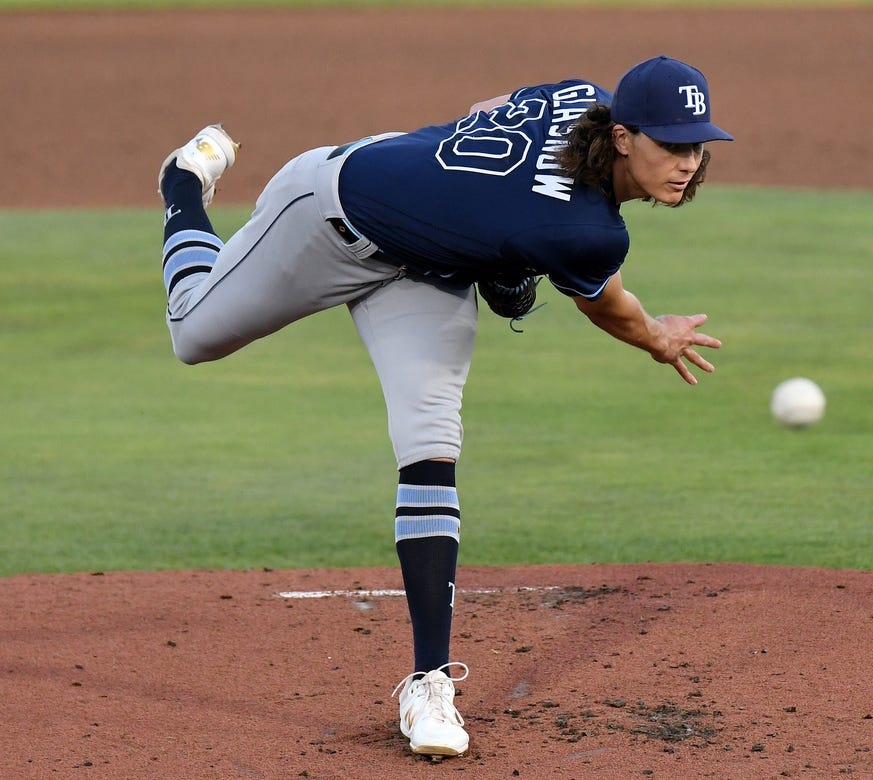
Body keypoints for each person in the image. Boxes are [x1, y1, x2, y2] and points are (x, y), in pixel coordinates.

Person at [155, 54, 730, 758]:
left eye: (697, 143)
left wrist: (476, 221)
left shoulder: (579, 96)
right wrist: (659, 339)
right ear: (620, 137)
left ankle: (430, 685)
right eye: (670, 144)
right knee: (191, 332)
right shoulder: (588, 232)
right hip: (325, 215)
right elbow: (612, 310)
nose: (687, 161)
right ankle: (182, 184)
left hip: (424, 273)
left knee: (432, 438)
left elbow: (487, 107)